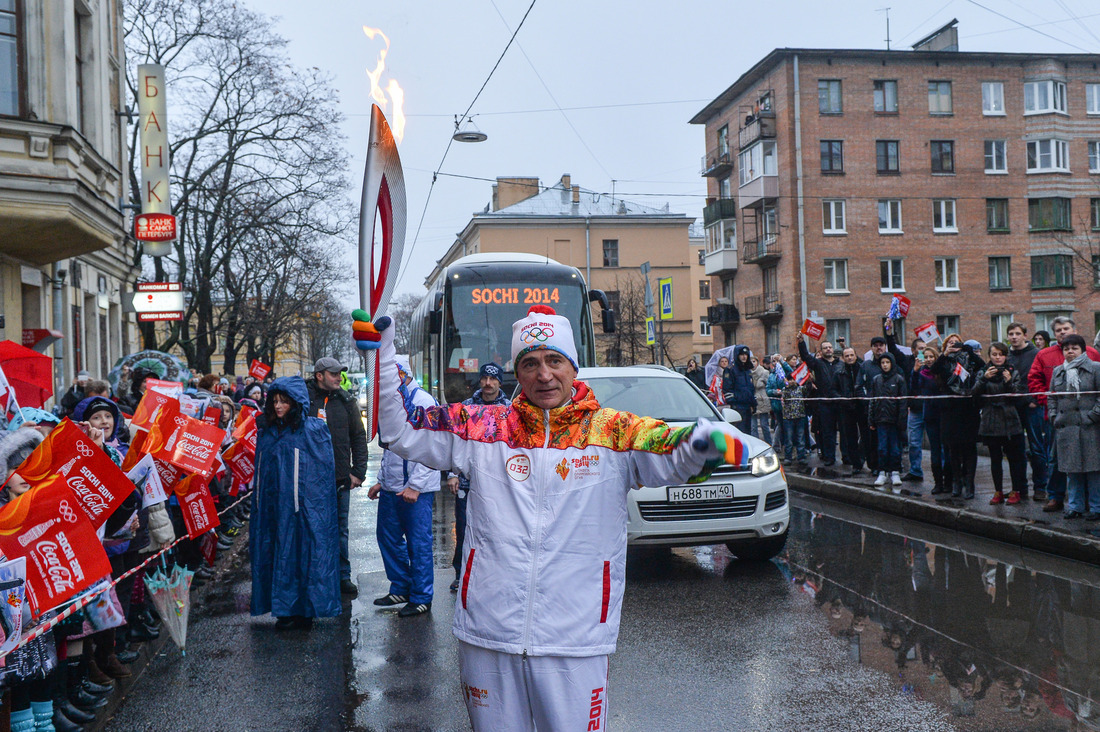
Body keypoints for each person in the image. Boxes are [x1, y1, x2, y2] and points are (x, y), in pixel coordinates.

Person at [366, 304, 747, 729]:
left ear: (572, 366)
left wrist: (708, 441)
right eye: (530, 363)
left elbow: (673, 449)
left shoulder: (612, 431)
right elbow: (401, 429)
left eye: (554, 361)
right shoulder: (484, 428)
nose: (543, 374)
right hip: (490, 631)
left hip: (576, 638)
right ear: (518, 370)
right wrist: (382, 355)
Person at [251, 377, 341, 630]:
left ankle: (304, 609)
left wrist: (310, 504)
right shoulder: (267, 432)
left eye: (284, 402)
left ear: (295, 403)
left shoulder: (313, 430)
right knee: (278, 552)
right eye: (275, 401)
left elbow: (321, 472)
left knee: (303, 553)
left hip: (303, 507)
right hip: (273, 507)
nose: (279, 407)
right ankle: (283, 608)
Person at [368, 356, 441, 618]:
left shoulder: (423, 401)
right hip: (392, 486)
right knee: (387, 537)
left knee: (418, 543)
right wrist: (381, 479)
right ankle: (401, 586)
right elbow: (390, 448)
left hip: (415, 489)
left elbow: (431, 448)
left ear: (401, 373)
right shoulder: (393, 400)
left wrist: (416, 485)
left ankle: (422, 597)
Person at [306, 357, 370, 598]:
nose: (338, 378)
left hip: (340, 478)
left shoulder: (346, 401)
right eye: (333, 374)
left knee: (340, 529)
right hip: (311, 479)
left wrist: (358, 472)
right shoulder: (305, 400)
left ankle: (343, 576)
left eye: (339, 374)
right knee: (313, 529)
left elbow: (358, 437)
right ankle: (317, 575)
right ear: (319, 375)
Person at [445, 362, 509, 593]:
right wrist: (452, 473)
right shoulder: (466, 408)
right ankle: (460, 574)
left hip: (498, 484)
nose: (488, 383)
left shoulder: (509, 409)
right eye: (485, 379)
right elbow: (455, 442)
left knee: (496, 531)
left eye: (493, 379)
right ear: (480, 380)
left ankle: (493, 575)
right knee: (463, 530)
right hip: (467, 483)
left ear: (500, 382)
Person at [1026, 316, 1100, 513]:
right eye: (1058, 330)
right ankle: (1057, 498)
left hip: (1089, 423)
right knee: (1060, 462)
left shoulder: (1093, 356)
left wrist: (1092, 416)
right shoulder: (1046, 356)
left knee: (1093, 466)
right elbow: (1036, 382)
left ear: (1074, 329)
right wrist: (1053, 413)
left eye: (1066, 328)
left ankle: (1092, 505)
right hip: (1062, 422)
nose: (1062, 332)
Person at [1047, 334, 1100, 520]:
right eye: (1066, 348)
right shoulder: (1058, 371)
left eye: (1074, 348)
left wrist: (1092, 416)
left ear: (1083, 350)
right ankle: (1075, 507)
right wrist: (1054, 416)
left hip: (1090, 427)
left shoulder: (1095, 369)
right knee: (1072, 471)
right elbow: (1052, 396)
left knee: (1094, 470)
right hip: (1066, 428)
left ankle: (1096, 508)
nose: (1070, 351)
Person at [973, 342, 1028, 505]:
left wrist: (1009, 382)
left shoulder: (1012, 371)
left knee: (1014, 458)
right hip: (991, 419)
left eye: (1001, 354)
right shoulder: (983, 372)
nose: (998, 358)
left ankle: (1016, 490)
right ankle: (998, 491)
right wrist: (984, 379)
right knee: (995, 459)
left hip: (1010, 418)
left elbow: (1018, 397)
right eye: (994, 354)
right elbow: (974, 394)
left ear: (1006, 356)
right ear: (989, 356)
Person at [932, 335, 984, 499]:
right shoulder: (945, 361)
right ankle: (957, 482)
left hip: (968, 409)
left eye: (957, 343)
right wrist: (945, 354)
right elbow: (933, 370)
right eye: (951, 343)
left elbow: (983, 367)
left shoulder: (970, 359)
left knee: (969, 448)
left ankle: (970, 483)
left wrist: (971, 352)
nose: (955, 345)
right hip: (950, 409)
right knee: (953, 448)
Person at [1006, 323, 1044, 502]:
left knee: (1037, 447)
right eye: (1011, 334)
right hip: (1013, 407)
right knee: (1016, 449)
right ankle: (1020, 488)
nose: (1014, 337)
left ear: (1025, 335)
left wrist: (1034, 400)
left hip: (1031, 407)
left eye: (1017, 334)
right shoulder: (1006, 355)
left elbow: (1042, 378)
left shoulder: (1036, 353)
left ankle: (1040, 487)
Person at [797, 334, 843, 466]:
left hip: (839, 402)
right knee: (827, 432)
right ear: (821, 351)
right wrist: (801, 342)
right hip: (824, 403)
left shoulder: (840, 363)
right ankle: (829, 456)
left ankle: (846, 457)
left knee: (844, 432)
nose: (828, 349)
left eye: (830, 347)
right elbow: (806, 357)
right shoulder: (818, 363)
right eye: (825, 348)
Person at [911, 346, 949, 494]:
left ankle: (949, 481)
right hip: (930, 416)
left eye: (931, 356)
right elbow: (914, 387)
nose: (928, 359)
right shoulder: (922, 374)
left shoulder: (942, 372)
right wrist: (914, 371)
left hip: (944, 414)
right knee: (935, 451)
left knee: (947, 449)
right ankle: (938, 482)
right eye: (926, 357)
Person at [868, 353, 908, 488]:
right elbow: (872, 400)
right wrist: (871, 419)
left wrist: (902, 420)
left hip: (894, 420)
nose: (885, 365)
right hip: (880, 419)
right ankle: (882, 472)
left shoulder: (899, 379)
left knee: (895, 448)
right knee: (882, 447)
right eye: (882, 363)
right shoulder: (876, 380)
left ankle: (895, 471)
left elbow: (903, 402)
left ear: (892, 363)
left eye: (887, 362)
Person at [837, 347, 867, 475]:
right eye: (847, 356)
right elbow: (834, 390)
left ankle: (865, 459)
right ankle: (856, 463)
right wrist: (842, 399)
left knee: (866, 436)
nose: (849, 358)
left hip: (862, 407)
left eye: (851, 355)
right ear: (843, 358)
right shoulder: (839, 372)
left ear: (855, 356)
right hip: (847, 408)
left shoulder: (862, 369)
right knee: (850, 437)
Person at [722, 346, 755, 433]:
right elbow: (727, 390)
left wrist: (753, 403)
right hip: (738, 407)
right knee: (739, 432)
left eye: (746, 355)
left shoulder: (747, 370)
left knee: (748, 432)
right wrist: (734, 400)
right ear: (737, 355)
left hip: (747, 406)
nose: (744, 357)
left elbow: (751, 388)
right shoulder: (730, 370)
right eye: (741, 355)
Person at [751, 356, 772, 444]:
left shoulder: (764, 372)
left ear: (757, 362)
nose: (752, 363)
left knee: (764, 425)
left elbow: (769, 385)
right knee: (753, 426)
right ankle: (756, 445)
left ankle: (769, 444)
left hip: (763, 400)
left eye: (754, 361)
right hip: (752, 400)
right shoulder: (747, 373)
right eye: (751, 361)